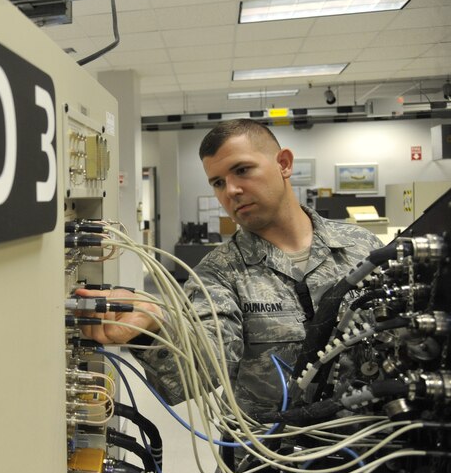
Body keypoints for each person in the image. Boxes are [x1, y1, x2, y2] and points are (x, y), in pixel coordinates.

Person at [77, 118, 384, 419]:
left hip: (368, 448)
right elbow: (202, 367)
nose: (231, 190)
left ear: (284, 164)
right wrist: (153, 329)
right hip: (268, 459)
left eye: (242, 170)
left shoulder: (361, 247)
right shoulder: (218, 272)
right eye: (218, 183)